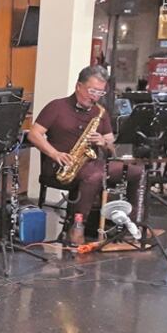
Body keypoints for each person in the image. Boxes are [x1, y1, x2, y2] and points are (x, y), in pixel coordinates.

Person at [28, 65, 144, 245]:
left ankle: (131, 223)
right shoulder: (56, 106)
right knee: (94, 176)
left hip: (92, 164)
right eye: (92, 91)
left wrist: (103, 143)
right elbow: (33, 134)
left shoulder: (100, 112)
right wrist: (54, 153)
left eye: (100, 93)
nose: (95, 97)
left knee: (137, 171)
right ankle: (77, 227)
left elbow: (113, 148)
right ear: (78, 86)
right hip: (60, 165)